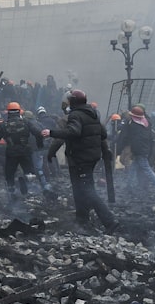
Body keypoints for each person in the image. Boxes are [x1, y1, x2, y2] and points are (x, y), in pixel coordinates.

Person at [43, 89, 119, 232]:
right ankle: (82, 219)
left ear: (72, 102)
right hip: (91, 157)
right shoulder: (94, 114)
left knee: (87, 190)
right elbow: (103, 134)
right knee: (79, 189)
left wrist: (51, 133)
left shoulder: (75, 115)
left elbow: (74, 132)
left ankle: (109, 221)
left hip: (80, 158)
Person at [0, 102, 48, 204]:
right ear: (19, 111)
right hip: (25, 151)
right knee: (30, 173)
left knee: (9, 175)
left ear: (8, 112)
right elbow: (38, 133)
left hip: (11, 153)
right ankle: (25, 179)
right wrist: (40, 146)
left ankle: (12, 194)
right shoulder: (26, 122)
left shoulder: (3, 125)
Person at [117, 106, 155, 200]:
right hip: (145, 149)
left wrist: (125, 150)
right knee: (133, 167)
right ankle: (129, 186)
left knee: (147, 169)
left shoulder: (133, 126)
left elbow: (132, 139)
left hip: (139, 151)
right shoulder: (146, 123)